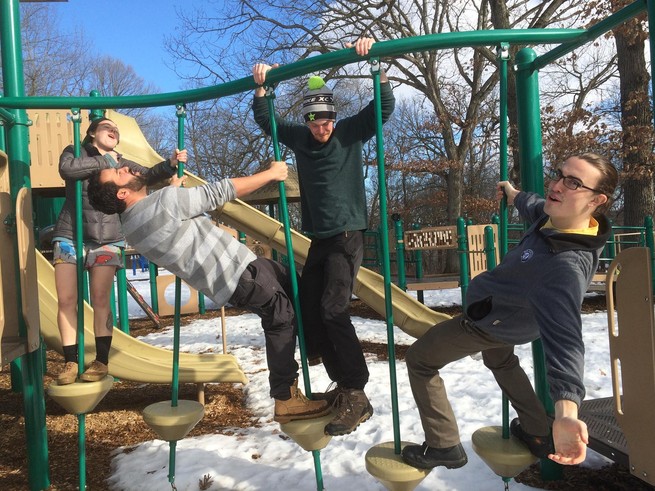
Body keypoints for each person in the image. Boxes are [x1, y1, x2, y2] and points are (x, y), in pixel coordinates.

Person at [400, 153, 618, 470]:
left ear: (597, 199)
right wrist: (513, 193)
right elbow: (533, 206)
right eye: (559, 174)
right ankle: (536, 431)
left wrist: (567, 411)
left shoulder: (564, 267)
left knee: (419, 360)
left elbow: (566, 340)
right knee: (500, 359)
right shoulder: (557, 218)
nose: (557, 185)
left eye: (573, 182)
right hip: (510, 316)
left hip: (488, 324)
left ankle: (443, 444)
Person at [86, 161, 331, 424]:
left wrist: (172, 189)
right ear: (122, 193)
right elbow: (219, 192)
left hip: (227, 281)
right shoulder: (165, 203)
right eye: (118, 173)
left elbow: (165, 219)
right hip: (238, 270)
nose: (125, 168)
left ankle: (313, 346)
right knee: (280, 317)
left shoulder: (132, 229)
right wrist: (271, 174)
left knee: (291, 279)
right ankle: (285, 398)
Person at [251, 37, 396, 436]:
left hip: (347, 234)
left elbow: (382, 109)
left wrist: (378, 66)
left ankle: (356, 392)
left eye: (326, 121)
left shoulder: (349, 133)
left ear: (335, 118)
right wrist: (262, 88)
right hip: (319, 238)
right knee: (307, 306)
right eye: (315, 122)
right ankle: (330, 367)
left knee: (334, 308)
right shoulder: (299, 139)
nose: (321, 128)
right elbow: (270, 123)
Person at [53, 117, 185, 385]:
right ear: (91, 133)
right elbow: (68, 171)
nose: (114, 130)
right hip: (70, 234)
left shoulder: (122, 162)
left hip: (107, 237)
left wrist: (169, 165)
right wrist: (106, 161)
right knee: (67, 299)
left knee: (101, 298)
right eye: (107, 127)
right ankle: (70, 361)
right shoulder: (74, 153)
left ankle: (101, 360)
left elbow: (145, 176)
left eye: (116, 129)